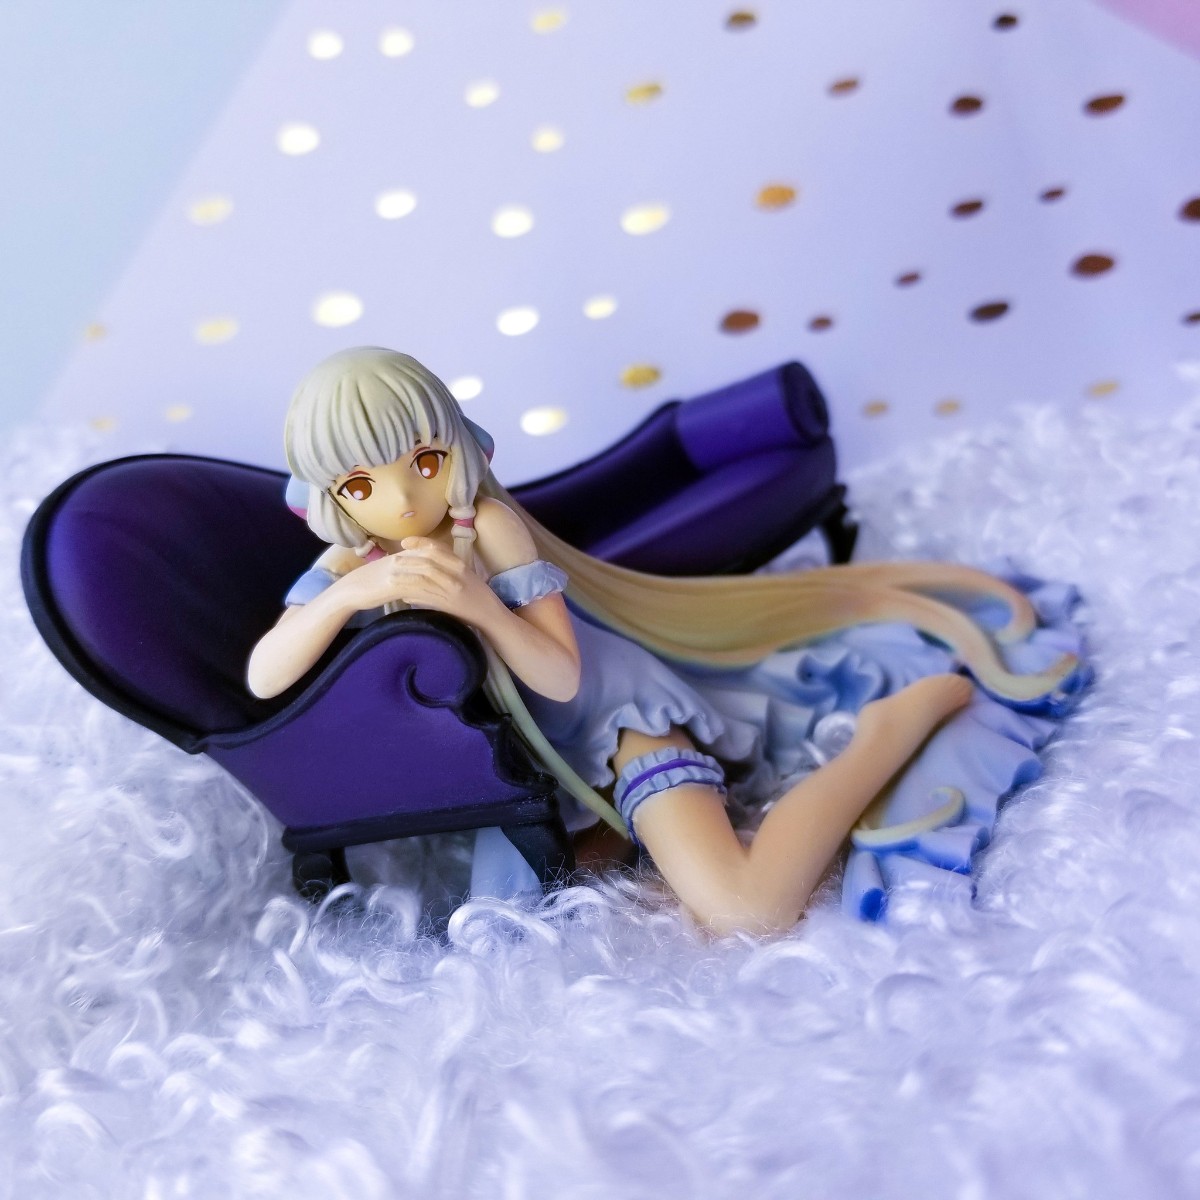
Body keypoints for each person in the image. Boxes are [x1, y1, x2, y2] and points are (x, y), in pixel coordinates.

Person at [248, 347, 1080, 935]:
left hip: (618, 726)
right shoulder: (355, 560)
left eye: (424, 462)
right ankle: (613, 833)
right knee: (506, 936)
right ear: (330, 496)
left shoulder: (488, 528)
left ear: (458, 448)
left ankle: (884, 735)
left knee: (745, 911)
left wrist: (481, 606)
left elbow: (562, 676)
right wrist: (347, 594)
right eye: (361, 483)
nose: (400, 499)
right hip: (533, 765)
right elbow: (263, 678)